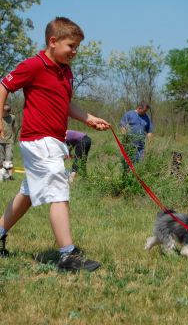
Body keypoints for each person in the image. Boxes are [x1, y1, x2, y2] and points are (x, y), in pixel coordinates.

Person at [0, 17, 110, 272]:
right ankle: (67, 256)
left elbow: (65, 102)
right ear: (53, 41)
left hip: (53, 140)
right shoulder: (33, 66)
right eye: (71, 46)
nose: (74, 52)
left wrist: (88, 117)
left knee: (27, 194)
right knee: (59, 190)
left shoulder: (65, 71)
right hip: (38, 140)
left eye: (77, 48)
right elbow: (4, 85)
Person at [0, 103, 16, 180]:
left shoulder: (13, 117)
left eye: (3, 111)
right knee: (1, 159)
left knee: (9, 159)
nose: (2, 112)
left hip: (9, 141)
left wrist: (14, 137)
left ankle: (10, 176)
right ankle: (1, 175)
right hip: (0, 142)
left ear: (8, 112)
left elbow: (13, 127)